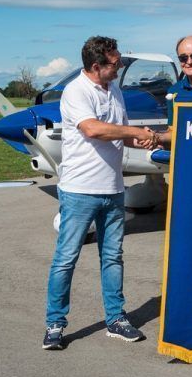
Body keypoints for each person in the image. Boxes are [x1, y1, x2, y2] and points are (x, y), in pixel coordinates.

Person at [43, 36, 154, 350]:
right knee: (66, 259)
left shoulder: (114, 90)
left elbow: (121, 134)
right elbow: (93, 129)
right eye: (114, 62)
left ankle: (116, 319)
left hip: (114, 189)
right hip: (79, 191)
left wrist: (151, 139)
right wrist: (135, 133)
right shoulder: (76, 91)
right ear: (96, 66)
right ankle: (54, 324)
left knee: (113, 258)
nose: (119, 65)